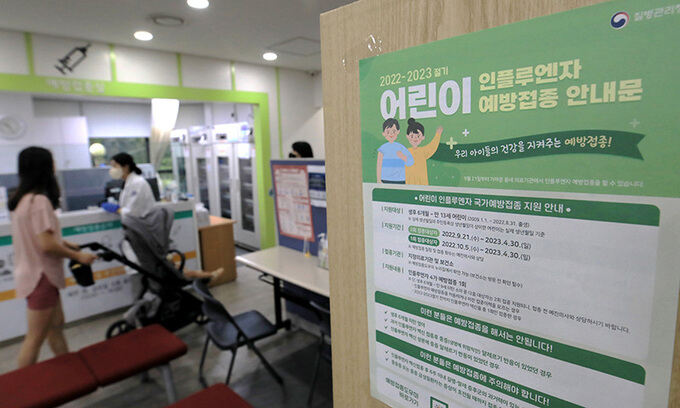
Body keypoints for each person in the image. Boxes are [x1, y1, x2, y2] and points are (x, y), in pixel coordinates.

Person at [9, 147, 97, 368]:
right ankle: (22, 385)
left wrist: (64, 243)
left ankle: (69, 369)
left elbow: (40, 237)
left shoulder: (22, 200)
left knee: (56, 325)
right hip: (41, 277)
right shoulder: (39, 201)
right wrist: (78, 255)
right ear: (45, 168)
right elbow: (46, 245)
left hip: (33, 274)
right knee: (35, 339)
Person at [101, 152, 224, 283]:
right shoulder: (129, 183)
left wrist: (116, 209)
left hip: (143, 231)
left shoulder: (137, 183)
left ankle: (202, 276)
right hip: (139, 233)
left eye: (114, 166)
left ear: (125, 166)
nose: (112, 170)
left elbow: (133, 212)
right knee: (159, 265)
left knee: (159, 264)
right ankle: (203, 275)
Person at [404, 118, 443, 185]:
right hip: (409, 184)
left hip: (422, 184)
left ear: (423, 137)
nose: (415, 138)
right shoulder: (405, 152)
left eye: (418, 136)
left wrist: (438, 134)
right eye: (412, 136)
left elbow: (432, 147)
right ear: (407, 137)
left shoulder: (423, 151)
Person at [376, 118, 413, 183]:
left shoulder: (401, 148)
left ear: (398, 131)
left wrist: (403, 157)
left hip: (400, 180)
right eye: (388, 132)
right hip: (385, 179)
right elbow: (379, 165)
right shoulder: (382, 148)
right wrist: (378, 180)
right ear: (383, 133)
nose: (391, 134)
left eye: (393, 131)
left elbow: (411, 162)